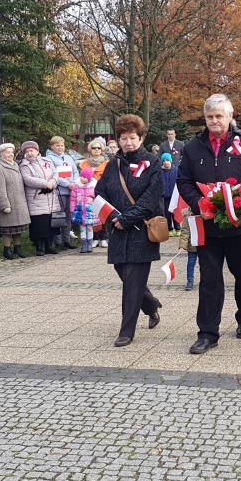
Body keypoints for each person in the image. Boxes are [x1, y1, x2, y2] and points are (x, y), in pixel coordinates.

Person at [177, 94, 241, 354]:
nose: (215, 121)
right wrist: (199, 205)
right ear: (205, 118)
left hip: (240, 226)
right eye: (210, 116)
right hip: (208, 226)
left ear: (230, 116)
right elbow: (183, 181)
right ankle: (207, 332)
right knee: (210, 280)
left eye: (219, 116)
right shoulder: (193, 147)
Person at [95, 114, 164, 347]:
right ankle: (152, 305)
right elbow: (100, 191)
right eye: (124, 138)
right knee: (126, 277)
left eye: (133, 138)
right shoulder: (113, 163)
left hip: (141, 232)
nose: (128, 143)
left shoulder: (152, 162)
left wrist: (128, 218)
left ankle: (126, 331)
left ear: (141, 138)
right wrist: (114, 217)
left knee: (133, 282)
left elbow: (152, 197)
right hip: (117, 231)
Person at [20, 140, 62, 256]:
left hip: (51, 198)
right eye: (27, 151)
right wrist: (45, 183)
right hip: (36, 199)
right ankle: (40, 246)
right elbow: (27, 179)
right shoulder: (24, 165)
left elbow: (55, 173)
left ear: (37, 151)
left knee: (50, 223)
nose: (30, 153)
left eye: (32, 150)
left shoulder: (47, 161)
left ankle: (50, 245)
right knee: (39, 224)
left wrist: (53, 181)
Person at [0, 143, 30, 260]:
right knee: (8, 229)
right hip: (8, 202)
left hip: (19, 202)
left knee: (18, 227)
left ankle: (18, 248)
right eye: (8, 152)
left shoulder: (16, 165)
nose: (10, 155)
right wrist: (4, 205)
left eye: (12, 152)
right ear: (1, 154)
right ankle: (6, 249)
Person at [45, 135, 79, 249]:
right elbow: (54, 174)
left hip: (71, 191)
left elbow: (75, 171)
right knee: (59, 216)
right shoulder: (49, 159)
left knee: (68, 216)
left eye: (62, 145)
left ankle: (67, 240)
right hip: (60, 191)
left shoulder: (69, 158)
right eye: (57, 145)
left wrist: (74, 183)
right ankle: (58, 242)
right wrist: (67, 184)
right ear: (52, 146)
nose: (60, 147)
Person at [79, 137, 109, 248]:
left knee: (103, 215)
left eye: (99, 148)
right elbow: (80, 178)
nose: (96, 150)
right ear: (90, 149)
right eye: (94, 148)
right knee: (91, 215)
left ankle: (104, 237)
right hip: (87, 194)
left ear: (102, 150)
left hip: (103, 192)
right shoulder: (84, 164)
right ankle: (95, 237)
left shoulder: (107, 163)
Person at [70, 166, 99, 253]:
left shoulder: (93, 187)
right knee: (82, 229)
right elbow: (73, 198)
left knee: (90, 229)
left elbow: (97, 198)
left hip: (90, 212)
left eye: (85, 177)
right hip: (80, 212)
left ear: (89, 178)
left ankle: (89, 244)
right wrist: (72, 208)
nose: (82, 178)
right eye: (81, 176)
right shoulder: (77, 186)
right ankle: (83, 245)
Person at [178, 206, 199, 291]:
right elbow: (185, 232)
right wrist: (182, 246)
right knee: (191, 264)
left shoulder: (206, 216)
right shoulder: (188, 218)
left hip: (204, 246)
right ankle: (190, 281)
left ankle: (207, 280)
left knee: (206, 265)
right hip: (192, 246)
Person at [160, 153, 179, 233]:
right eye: (163, 160)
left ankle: (177, 228)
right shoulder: (160, 171)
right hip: (165, 196)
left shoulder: (176, 170)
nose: (165, 162)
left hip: (174, 195)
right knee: (167, 213)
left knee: (175, 212)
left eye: (167, 160)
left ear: (170, 161)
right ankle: (169, 228)